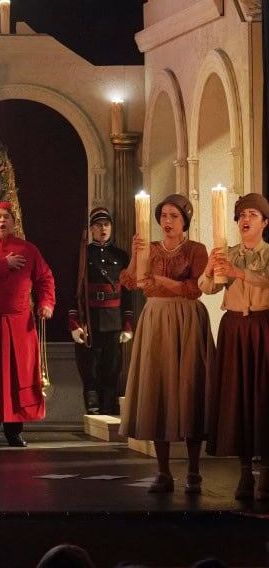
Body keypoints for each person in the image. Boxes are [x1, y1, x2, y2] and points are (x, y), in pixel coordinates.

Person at [119, 193, 211, 494]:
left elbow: (196, 288)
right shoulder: (151, 248)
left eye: (174, 216)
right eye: (163, 216)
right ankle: (163, 471)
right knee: (158, 387)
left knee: (189, 387)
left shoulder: (196, 249)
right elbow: (130, 281)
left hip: (187, 319)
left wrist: (163, 281)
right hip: (157, 319)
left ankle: (194, 471)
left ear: (185, 220)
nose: (167, 221)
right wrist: (136, 255)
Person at [0, 201, 56, 447]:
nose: (2, 221)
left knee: (18, 374)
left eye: (6, 217)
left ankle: (14, 431)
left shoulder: (29, 250)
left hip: (19, 323)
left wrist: (46, 303)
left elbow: (45, 278)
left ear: (14, 223)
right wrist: (3, 265)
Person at [201, 192, 269, 501]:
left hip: (263, 326)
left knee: (262, 394)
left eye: (253, 214)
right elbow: (207, 288)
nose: (245, 219)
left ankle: (265, 469)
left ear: (264, 222)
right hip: (234, 328)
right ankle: (244, 471)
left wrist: (238, 272)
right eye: (242, 215)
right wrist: (211, 268)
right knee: (237, 394)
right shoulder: (228, 254)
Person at [69, 207, 133, 415]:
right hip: (91, 321)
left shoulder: (121, 256)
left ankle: (109, 408)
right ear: (91, 229)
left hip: (114, 321)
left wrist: (127, 325)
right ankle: (93, 411)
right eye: (98, 225)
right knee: (90, 369)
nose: (103, 229)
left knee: (112, 368)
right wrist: (74, 324)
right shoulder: (83, 255)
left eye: (106, 224)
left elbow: (127, 293)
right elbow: (73, 291)